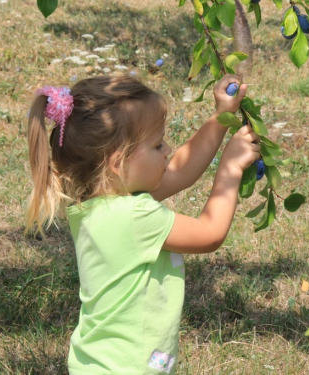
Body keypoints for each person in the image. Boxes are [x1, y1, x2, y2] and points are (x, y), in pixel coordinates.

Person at [26, 73, 260, 374]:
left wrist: (221, 116)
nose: (167, 151)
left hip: (99, 362)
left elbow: (179, 171)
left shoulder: (99, 201)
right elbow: (210, 234)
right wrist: (229, 169)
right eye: (157, 145)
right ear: (118, 162)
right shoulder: (135, 217)